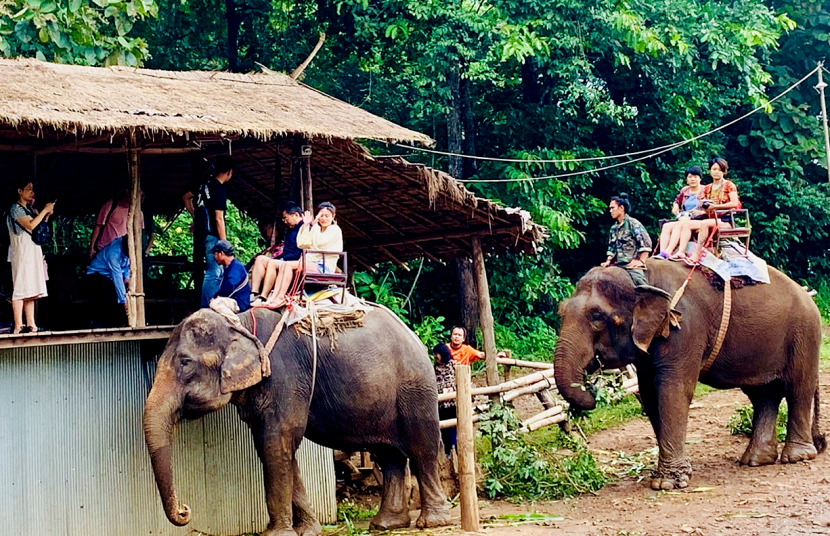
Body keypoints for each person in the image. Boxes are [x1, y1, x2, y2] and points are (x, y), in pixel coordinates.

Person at [183, 155, 234, 307]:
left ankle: (209, 304)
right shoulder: (218, 188)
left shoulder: (202, 184)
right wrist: (224, 243)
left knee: (208, 272)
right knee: (214, 273)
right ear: (229, 172)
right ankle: (208, 307)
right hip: (212, 236)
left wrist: (196, 217)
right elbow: (219, 218)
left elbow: (186, 197)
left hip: (200, 236)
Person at [6, 179, 54, 334]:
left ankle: (32, 324)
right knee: (20, 287)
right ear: (19, 191)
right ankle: (18, 324)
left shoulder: (29, 210)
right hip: (22, 251)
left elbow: (39, 228)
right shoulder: (16, 209)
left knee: (31, 290)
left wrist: (46, 215)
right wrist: (44, 211)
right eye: (29, 189)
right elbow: (31, 225)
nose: (32, 192)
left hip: (32, 250)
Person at [673, 157, 741, 263]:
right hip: (709, 217)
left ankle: (697, 254)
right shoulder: (707, 188)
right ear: (710, 171)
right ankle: (681, 252)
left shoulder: (729, 185)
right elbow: (703, 204)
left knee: (704, 223)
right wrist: (703, 207)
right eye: (714, 169)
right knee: (686, 224)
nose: (716, 172)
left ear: (724, 171)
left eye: (719, 170)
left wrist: (716, 207)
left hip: (724, 219)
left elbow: (734, 203)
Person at [251, 203, 304, 305]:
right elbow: (286, 250)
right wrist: (278, 257)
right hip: (285, 258)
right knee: (260, 259)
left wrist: (283, 259)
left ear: (295, 215)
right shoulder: (290, 229)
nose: (285, 221)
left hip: (294, 261)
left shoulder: (305, 228)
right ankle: (254, 293)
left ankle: (264, 296)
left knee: (272, 263)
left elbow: (301, 251)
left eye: (286, 218)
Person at [601, 193, 652, 286]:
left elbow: (646, 243)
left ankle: (647, 297)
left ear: (621, 208)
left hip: (631, 264)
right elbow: (612, 248)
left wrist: (641, 261)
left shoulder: (633, 224)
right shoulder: (613, 228)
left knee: (639, 282)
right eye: (610, 208)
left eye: (613, 208)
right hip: (618, 263)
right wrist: (608, 261)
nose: (610, 211)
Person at [656, 167, 704, 259]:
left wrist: (700, 212)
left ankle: (668, 251)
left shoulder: (705, 190)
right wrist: (675, 206)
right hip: (684, 217)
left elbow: (709, 206)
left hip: (699, 217)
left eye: (695, 176)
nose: (692, 179)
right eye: (690, 177)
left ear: (700, 178)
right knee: (666, 226)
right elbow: (677, 201)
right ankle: (662, 252)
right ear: (686, 179)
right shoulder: (685, 190)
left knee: (678, 225)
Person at [296, 201, 343, 274]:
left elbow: (319, 243)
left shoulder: (335, 229)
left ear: (333, 216)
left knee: (289, 265)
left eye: (327, 216)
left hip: (324, 266)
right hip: (311, 262)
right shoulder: (316, 228)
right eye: (321, 216)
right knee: (284, 265)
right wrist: (306, 224)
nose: (324, 219)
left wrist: (314, 223)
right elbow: (301, 243)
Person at [210, 239, 251, 312]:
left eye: (215, 254)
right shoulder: (229, 266)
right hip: (232, 300)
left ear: (221, 253)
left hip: (239, 303)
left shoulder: (235, 267)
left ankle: (236, 323)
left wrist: (218, 297)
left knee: (215, 304)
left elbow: (231, 283)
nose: (214, 257)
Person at [433, 343, 457, 458]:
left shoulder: (453, 366)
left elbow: (459, 381)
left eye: (437, 353)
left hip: (453, 403)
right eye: (434, 354)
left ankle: (455, 450)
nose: (436, 356)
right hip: (441, 405)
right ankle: (446, 452)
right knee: (443, 429)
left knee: (454, 427)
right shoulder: (433, 370)